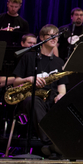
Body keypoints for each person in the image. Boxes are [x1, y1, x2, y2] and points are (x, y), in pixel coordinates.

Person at [11, 24, 68, 155]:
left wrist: (61, 95)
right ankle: (51, 143)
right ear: (42, 38)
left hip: (51, 97)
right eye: (50, 35)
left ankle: (67, 143)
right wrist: (29, 79)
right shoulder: (29, 57)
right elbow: (15, 82)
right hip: (31, 97)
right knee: (34, 102)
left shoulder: (59, 62)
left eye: (56, 36)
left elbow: (62, 87)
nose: (54, 38)